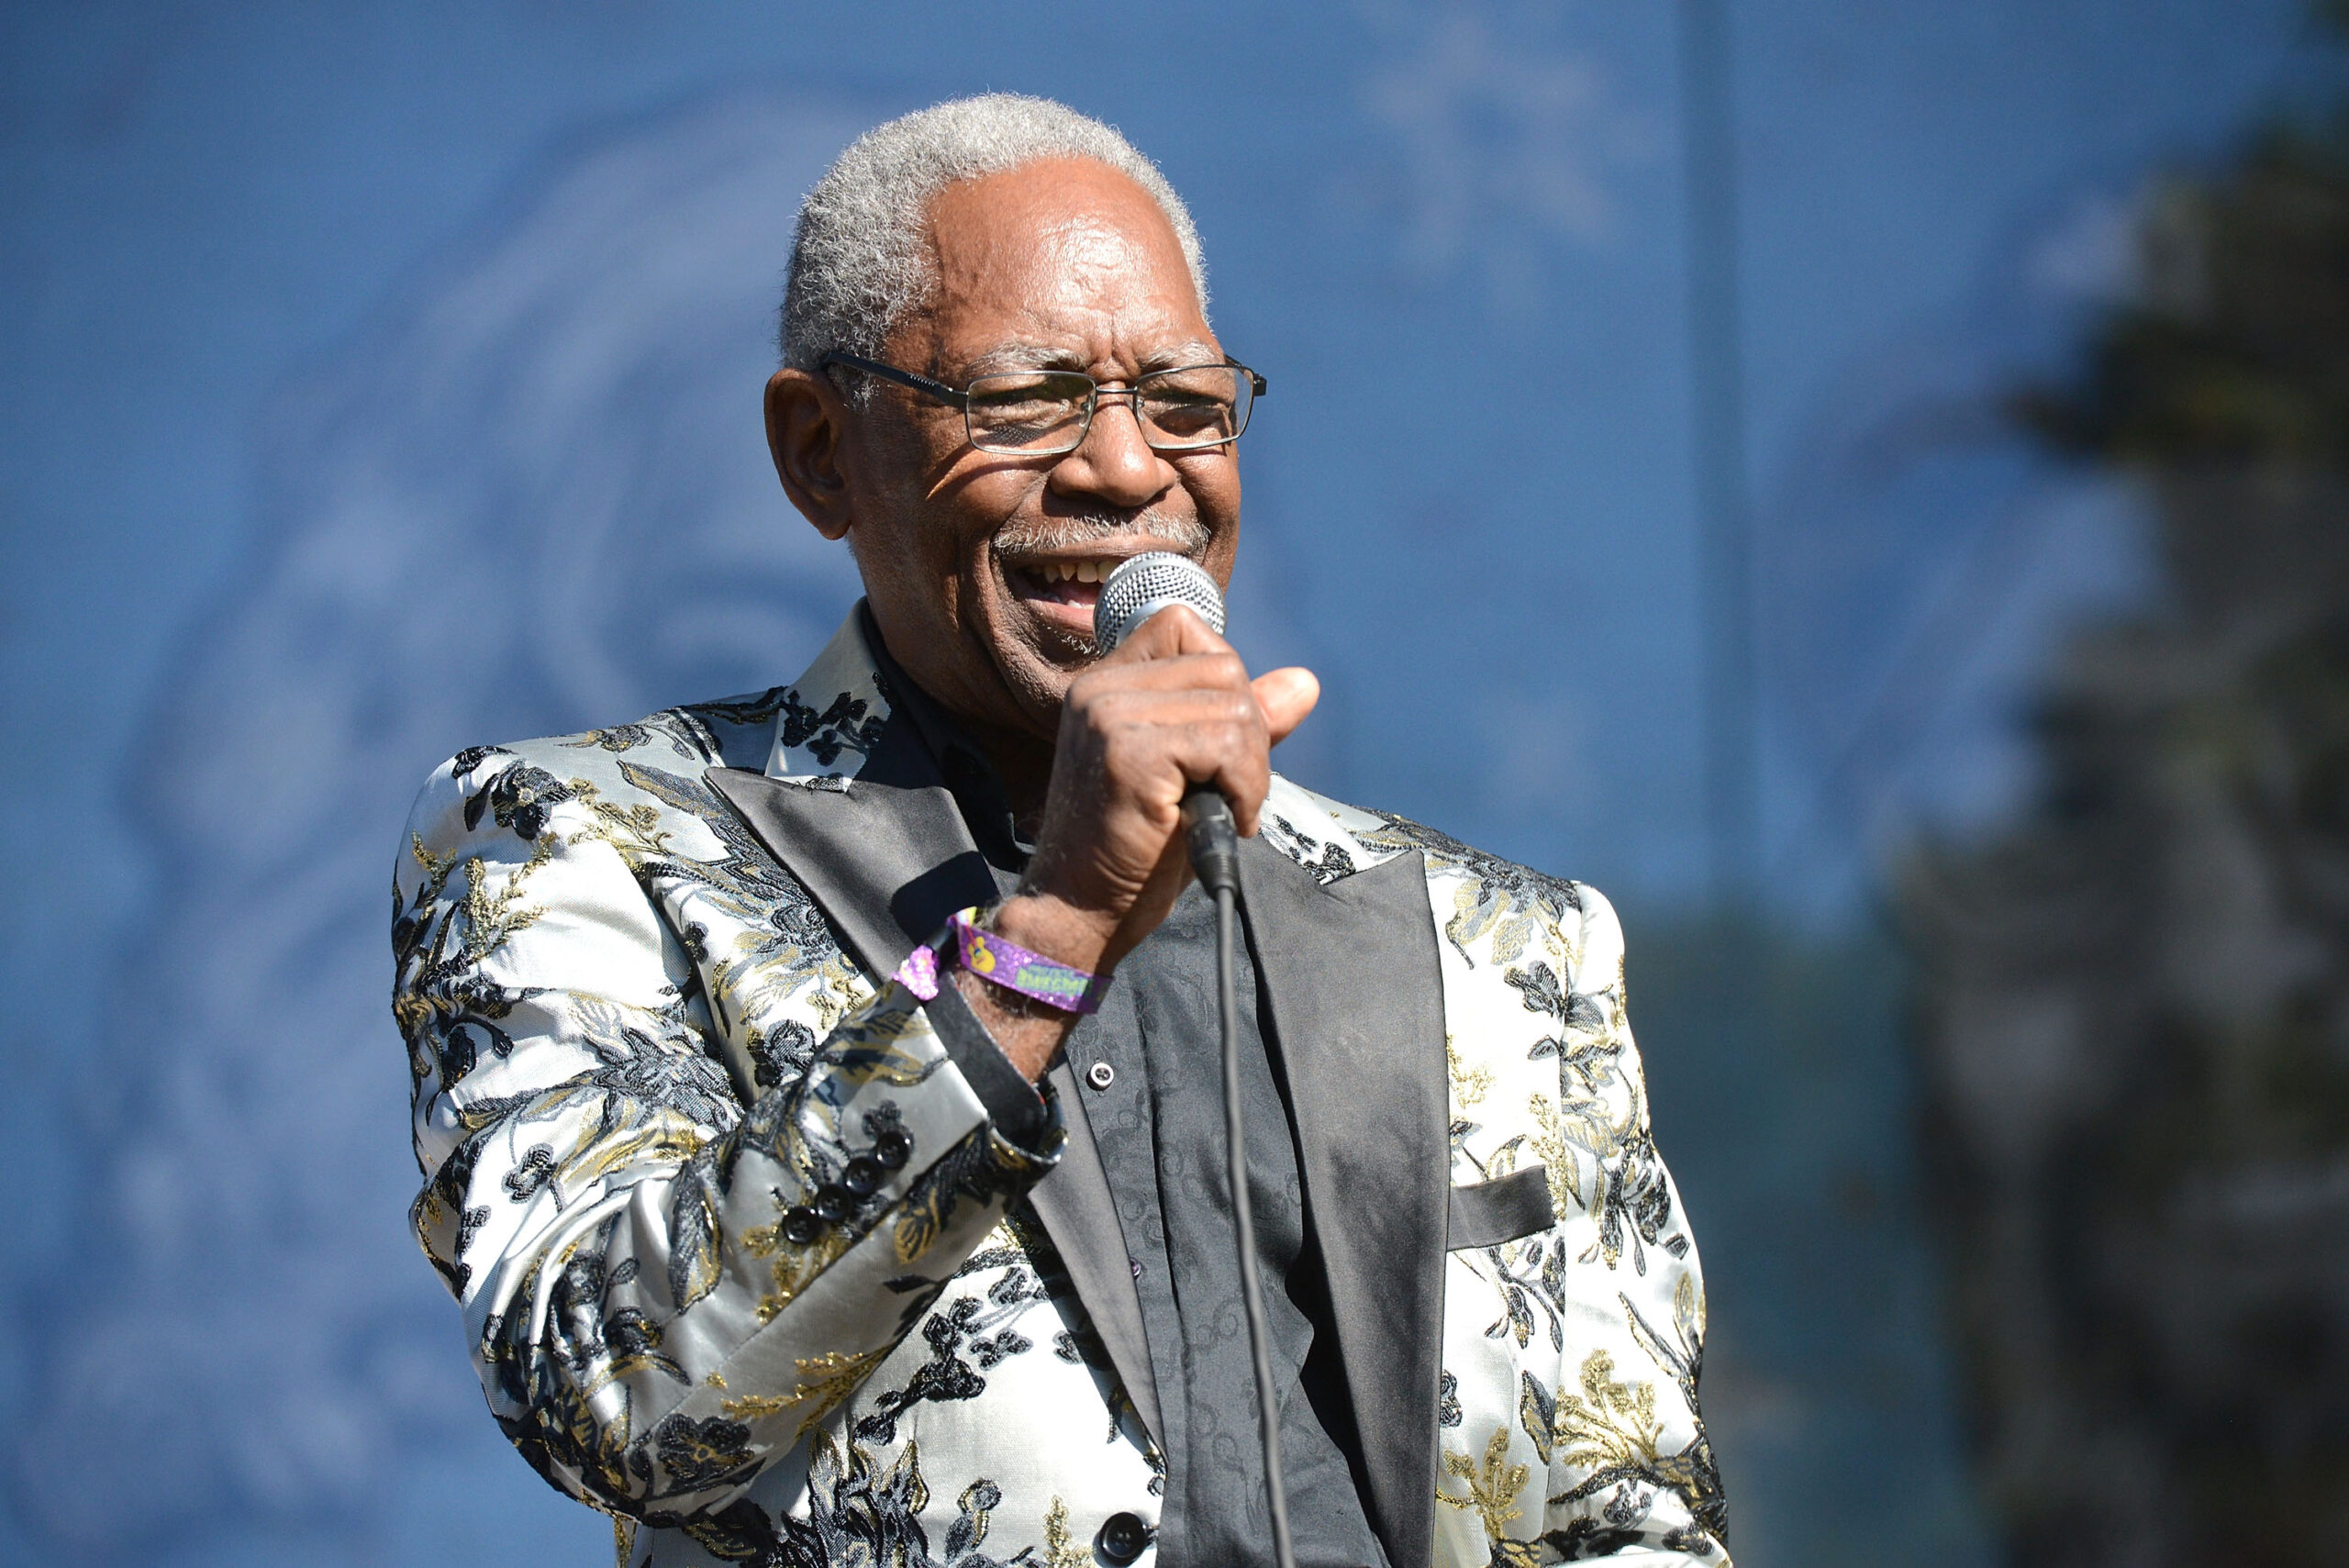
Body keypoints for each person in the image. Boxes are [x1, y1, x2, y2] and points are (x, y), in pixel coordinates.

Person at [394, 94, 1725, 1568]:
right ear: (821, 450)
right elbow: (613, 1400)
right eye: (1026, 401)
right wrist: (1056, 930)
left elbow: (1633, 1517)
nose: (1125, 468)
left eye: (1184, 404)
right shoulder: (586, 840)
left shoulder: (1500, 942)